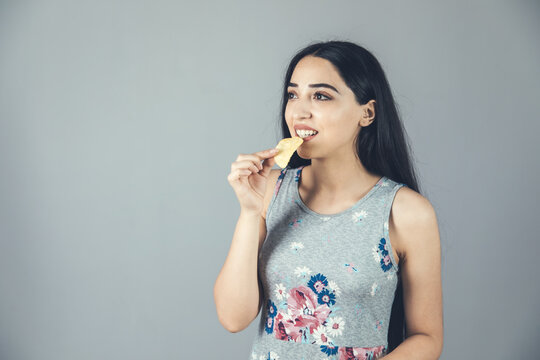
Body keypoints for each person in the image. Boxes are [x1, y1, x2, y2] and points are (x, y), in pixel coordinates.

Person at [214, 40, 443, 360]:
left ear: (367, 112)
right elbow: (233, 318)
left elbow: (427, 337)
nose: (300, 111)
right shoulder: (269, 192)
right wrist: (249, 213)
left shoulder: (405, 212)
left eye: (320, 96)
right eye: (293, 95)